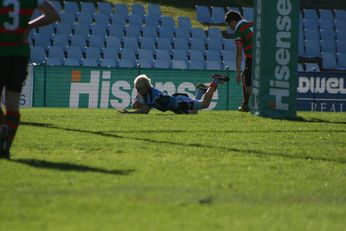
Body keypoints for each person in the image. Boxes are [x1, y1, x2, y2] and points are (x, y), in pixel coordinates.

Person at [0, 0, 59, 159]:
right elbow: (53, 14)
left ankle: (2, 126)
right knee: (12, 104)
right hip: (19, 54)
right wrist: (28, 26)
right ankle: (5, 148)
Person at [118, 73, 229, 114]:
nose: (137, 91)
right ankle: (200, 90)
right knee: (194, 114)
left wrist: (129, 113)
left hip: (181, 103)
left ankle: (215, 81)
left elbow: (145, 110)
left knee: (205, 104)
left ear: (146, 87)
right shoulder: (146, 93)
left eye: (139, 88)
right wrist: (136, 105)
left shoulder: (154, 95)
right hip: (177, 106)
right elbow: (136, 103)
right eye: (136, 88)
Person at [225, 10, 254, 112]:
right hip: (264, 56)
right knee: (244, 76)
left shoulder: (239, 30)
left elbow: (239, 53)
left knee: (248, 84)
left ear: (233, 21)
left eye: (229, 24)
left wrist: (237, 71)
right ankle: (245, 104)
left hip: (252, 57)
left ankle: (247, 105)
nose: (230, 27)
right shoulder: (252, 24)